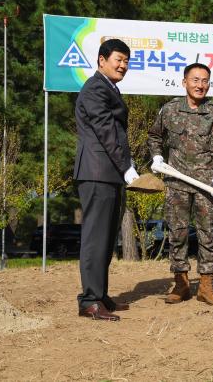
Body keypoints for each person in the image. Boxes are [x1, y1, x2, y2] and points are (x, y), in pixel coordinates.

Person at [148, 63, 213, 305]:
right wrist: (157, 156)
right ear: (184, 82)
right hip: (176, 181)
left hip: (206, 184)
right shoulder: (170, 109)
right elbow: (155, 136)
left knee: (207, 234)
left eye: (205, 81)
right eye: (195, 80)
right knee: (178, 232)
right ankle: (181, 283)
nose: (200, 85)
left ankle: (206, 286)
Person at [74, 38, 139, 321]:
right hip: (97, 172)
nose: (123, 65)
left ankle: (99, 295)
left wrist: (127, 165)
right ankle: (89, 300)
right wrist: (126, 166)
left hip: (109, 173)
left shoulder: (109, 88)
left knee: (107, 237)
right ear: (102, 60)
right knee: (95, 238)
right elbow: (105, 131)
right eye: (118, 60)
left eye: (126, 61)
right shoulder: (94, 89)